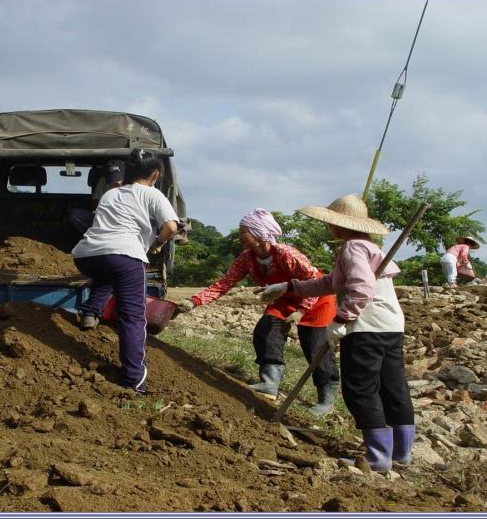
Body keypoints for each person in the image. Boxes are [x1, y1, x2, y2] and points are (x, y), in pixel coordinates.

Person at [257, 194, 414, 472]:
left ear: (337, 225)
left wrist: (341, 319)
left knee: (360, 388)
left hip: (366, 327)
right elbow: (331, 283)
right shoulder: (368, 246)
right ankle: (401, 453)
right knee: (393, 387)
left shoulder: (352, 247)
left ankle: (377, 457)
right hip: (390, 325)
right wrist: (289, 287)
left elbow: (362, 289)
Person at [175, 208, 340, 416]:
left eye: (244, 231)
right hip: (283, 299)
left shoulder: (286, 254)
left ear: (259, 233)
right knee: (266, 330)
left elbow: (313, 281)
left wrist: (301, 310)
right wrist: (194, 301)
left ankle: (326, 398)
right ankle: (270, 382)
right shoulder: (247, 258)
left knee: (315, 346)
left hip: (316, 300)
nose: (240, 236)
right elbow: (225, 283)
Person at [71, 149, 179, 393]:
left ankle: (90, 312)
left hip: (86, 255)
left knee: (110, 272)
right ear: (156, 174)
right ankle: (134, 381)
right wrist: (158, 244)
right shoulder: (153, 193)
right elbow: (171, 226)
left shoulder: (111, 194)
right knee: (132, 317)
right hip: (125, 255)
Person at [69, 161, 126, 234]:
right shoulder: (103, 180)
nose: (115, 185)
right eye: (112, 183)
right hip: (103, 217)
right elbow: (96, 201)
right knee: (75, 215)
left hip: (123, 220)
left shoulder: (133, 186)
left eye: (118, 182)